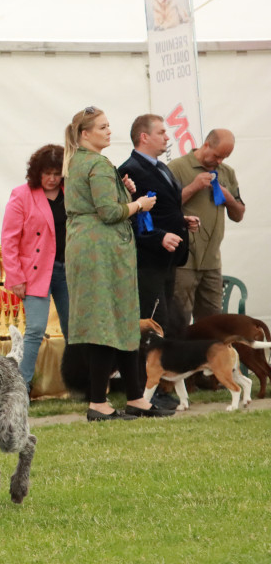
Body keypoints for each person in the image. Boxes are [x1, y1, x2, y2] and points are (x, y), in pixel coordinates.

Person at [63, 106, 173, 421]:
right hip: (102, 253)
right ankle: (99, 403)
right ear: (85, 134)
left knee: (122, 322)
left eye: (109, 126)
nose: (109, 131)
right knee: (107, 325)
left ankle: (136, 397)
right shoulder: (95, 163)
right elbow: (109, 213)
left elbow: (102, 204)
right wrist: (138, 204)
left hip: (97, 250)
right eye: (102, 127)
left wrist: (121, 193)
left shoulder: (82, 162)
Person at [118, 114, 199, 410]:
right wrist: (159, 237)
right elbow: (133, 217)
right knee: (152, 324)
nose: (168, 137)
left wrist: (181, 221)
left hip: (168, 259)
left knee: (165, 322)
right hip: (147, 260)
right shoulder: (128, 170)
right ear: (144, 137)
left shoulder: (162, 167)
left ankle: (160, 385)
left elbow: (163, 209)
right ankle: (144, 389)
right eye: (162, 132)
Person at [0, 144, 70, 394]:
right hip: (35, 274)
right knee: (36, 329)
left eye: (57, 173)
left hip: (67, 270)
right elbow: (9, 240)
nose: (52, 178)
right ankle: (21, 387)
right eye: (47, 173)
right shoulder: (21, 194)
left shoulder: (71, 193)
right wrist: (16, 277)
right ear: (36, 172)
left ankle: (79, 383)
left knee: (74, 328)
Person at [168, 129, 245, 322]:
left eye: (225, 157)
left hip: (212, 261)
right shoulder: (176, 168)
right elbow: (164, 209)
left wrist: (228, 199)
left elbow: (239, 215)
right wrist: (193, 187)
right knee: (180, 320)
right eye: (217, 155)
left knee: (213, 322)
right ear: (206, 145)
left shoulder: (227, 172)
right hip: (184, 261)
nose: (220, 161)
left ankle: (210, 353)